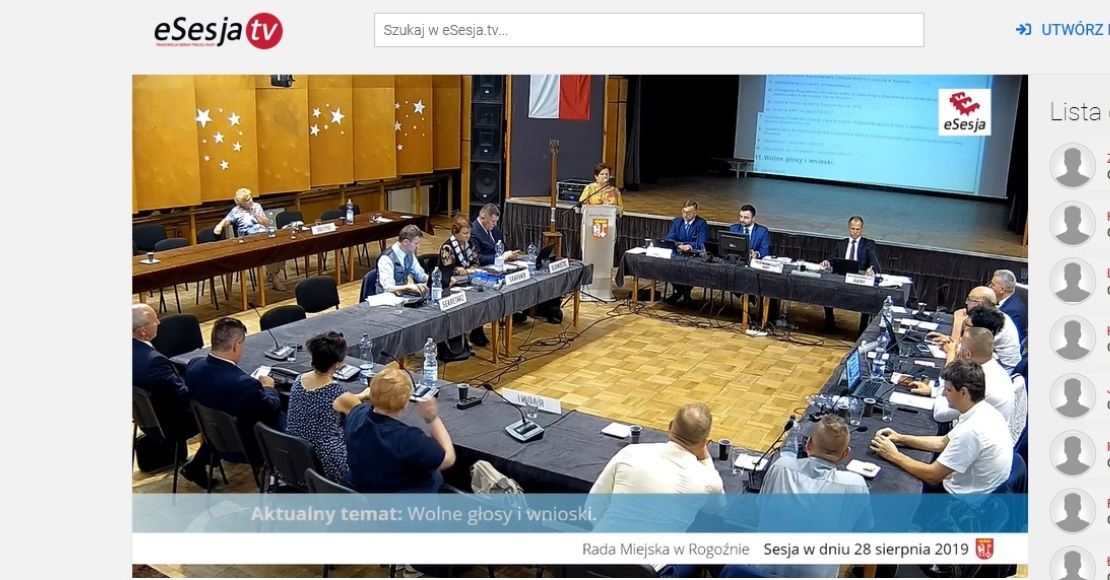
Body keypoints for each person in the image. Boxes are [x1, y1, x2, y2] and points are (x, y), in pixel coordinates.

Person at [744, 415, 872, 578]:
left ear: (808, 444)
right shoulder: (856, 485)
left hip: (760, 574)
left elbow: (760, 509)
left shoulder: (781, 466)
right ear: (845, 453)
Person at [869, 359, 1012, 494]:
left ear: (963, 392)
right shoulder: (983, 410)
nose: (943, 394)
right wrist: (901, 438)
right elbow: (943, 442)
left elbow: (932, 476)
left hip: (960, 503)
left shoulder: (972, 431)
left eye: (948, 390)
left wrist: (894, 455)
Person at [587, 403, 724, 532]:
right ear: (705, 442)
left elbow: (593, 506)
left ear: (670, 426)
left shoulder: (631, 452)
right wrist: (706, 459)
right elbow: (715, 508)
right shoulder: (708, 479)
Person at [334, 368, 456, 493]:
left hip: (361, 496)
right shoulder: (408, 439)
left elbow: (342, 402)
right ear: (405, 403)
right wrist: (432, 418)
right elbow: (448, 459)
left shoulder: (356, 415)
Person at [185, 317, 283, 472]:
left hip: (213, 435)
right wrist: (268, 387)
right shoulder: (243, 384)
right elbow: (270, 409)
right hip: (246, 446)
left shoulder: (193, 365)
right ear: (236, 345)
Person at [132, 304, 207, 487]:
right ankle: (197, 466)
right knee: (222, 411)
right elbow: (182, 395)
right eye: (154, 321)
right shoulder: (154, 361)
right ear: (142, 331)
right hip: (172, 421)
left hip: (147, 416)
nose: (159, 323)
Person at [285, 332, 350, 482]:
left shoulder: (299, 380)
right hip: (328, 462)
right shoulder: (337, 392)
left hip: (295, 458)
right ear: (337, 364)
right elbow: (358, 412)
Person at [928, 328, 1016, 426]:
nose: (957, 351)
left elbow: (940, 414)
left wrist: (950, 362)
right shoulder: (994, 367)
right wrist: (932, 391)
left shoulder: (978, 382)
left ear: (967, 354)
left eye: (960, 348)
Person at [212, 187, 287, 291]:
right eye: (247, 200)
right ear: (241, 203)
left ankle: (273, 272)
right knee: (267, 249)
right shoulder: (236, 211)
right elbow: (226, 221)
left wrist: (256, 215)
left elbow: (266, 223)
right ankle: (274, 277)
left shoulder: (256, 206)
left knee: (282, 246)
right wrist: (219, 227)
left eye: (250, 198)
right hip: (248, 239)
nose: (250, 201)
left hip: (263, 234)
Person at [935, 287, 1021, 370]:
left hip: (1003, 366)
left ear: (978, 304)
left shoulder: (991, 322)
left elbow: (962, 352)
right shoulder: (988, 314)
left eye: (969, 300)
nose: (966, 303)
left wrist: (958, 322)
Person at [822, 216, 880, 331]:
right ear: (849, 228)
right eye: (853, 229)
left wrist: (872, 270)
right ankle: (829, 320)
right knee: (825, 289)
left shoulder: (868, 244)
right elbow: (832, 259)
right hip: (841, 278)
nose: (855, 232)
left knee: (867, 297)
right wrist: (827, 262)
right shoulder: (841, 244)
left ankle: (863, 328)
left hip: (859, 280)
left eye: (858, 229)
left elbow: (874, 262)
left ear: (862, 229)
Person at [437, 216, 484, 353]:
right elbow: (450, 270)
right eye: (464, 233)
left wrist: (466, 271)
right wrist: (467, 271)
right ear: (455, 232)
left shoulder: (470, 245)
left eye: (469, 233)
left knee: (480, 300)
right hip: (451, 284)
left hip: (469, 281)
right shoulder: (447, 247)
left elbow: (476, 263)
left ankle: (477, 333)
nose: (467, 236)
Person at [663, 200, 708, 305]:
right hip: (678, 253)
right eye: (684, 212)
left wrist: (689, 246)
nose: (685, 215)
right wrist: (679, 245)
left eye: (689, 212)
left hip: (694, 255)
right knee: (668, 267)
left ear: (695, 212)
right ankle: (683, 293)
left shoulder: (701, 224)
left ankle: (681, 293)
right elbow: (670, 239)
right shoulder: (677, 222)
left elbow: (702, 243)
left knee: (692, 269)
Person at [375, 224, 429, 296]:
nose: (418, 246)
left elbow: (420, 275)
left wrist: (432, 280)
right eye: (416, 243)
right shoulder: (386, 258)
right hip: (386, 297)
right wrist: (409, 287)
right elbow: (388, 288)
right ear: (405, 242)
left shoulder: (409, 253)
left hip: (402, 295)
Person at [990, 269, 1027, 341]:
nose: (989, 286)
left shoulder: (1012, 311)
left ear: (1002, 289)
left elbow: (1004, 337)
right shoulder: (1011, 299)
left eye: (993, 284)